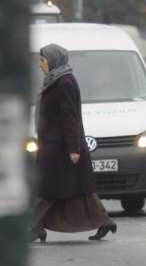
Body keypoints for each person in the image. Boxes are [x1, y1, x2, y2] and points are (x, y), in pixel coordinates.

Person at [31, 44, 117, 242]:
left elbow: (70, 118)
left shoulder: (65, 82)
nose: (40, 65)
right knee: (81, 191)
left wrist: (73, 148)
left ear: (53, 61)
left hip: (62, 148)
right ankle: (104, 222)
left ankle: (33, 227)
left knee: (46, 190)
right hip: (54, 146)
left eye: (43, 61)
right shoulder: (54, 80)